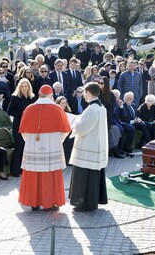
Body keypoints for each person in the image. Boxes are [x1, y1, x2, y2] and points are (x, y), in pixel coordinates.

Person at [18, 85, 71, 211]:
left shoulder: (29, 108)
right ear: (51, 95)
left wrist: (32, 142)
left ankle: (34, 203)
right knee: (50, 174)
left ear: (39, 94)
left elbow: (24, 132)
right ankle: (49, 203)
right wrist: (58, 142)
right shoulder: (58, 109)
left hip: (33, 146)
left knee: (33, 173)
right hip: (52, 146)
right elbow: (65, 131)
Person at [69, 82, 108, 211]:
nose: (84, 95)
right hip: (96, 146)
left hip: (88, 149)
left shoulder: (92, 109)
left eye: (85, 93)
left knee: (84, 176)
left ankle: (83, 203)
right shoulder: (101, 108)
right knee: (93, 176)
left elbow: (81, 128)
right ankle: (92, 201)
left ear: (89, 93)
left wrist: (73, 123)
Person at [7, 78, 36, 177]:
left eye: (26, 86)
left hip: (29, 125)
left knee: (26, 146)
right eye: (22, 86)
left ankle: (24, 169)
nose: (24, 88)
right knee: (18, 146)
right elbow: (10, 111)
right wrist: (23, 114)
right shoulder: (15, 97)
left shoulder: (32, 97)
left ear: (29, 87)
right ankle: (15, 170)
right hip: (18, 124)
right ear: (19, 87)